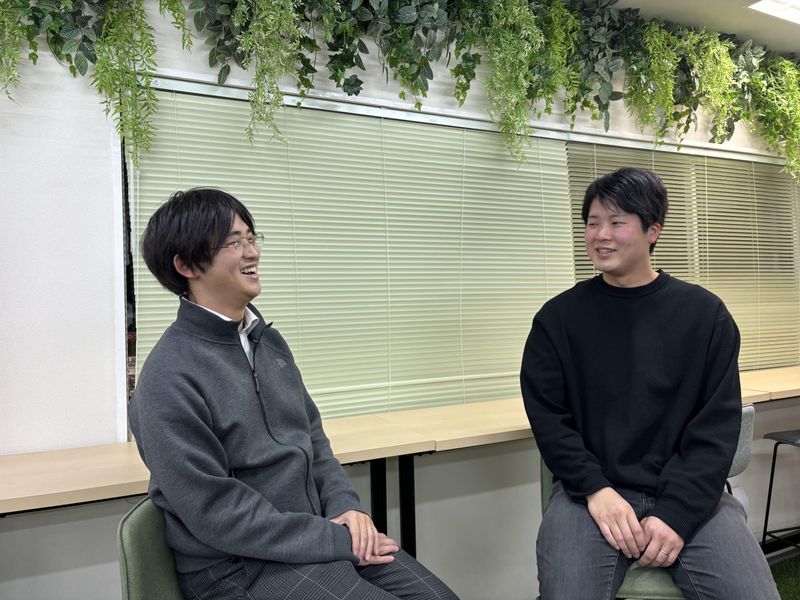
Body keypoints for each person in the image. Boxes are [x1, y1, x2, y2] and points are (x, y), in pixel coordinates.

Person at [129, 188, 459, 600]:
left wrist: (346, 507)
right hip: (237, 568)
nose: (252, 252)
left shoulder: (266, 342)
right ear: (186, 265)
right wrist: (335, 539)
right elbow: (217, 512)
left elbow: (312, 437)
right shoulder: (167, 376)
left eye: (252, 238)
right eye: (234, 242)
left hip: (313, 537)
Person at [520, 168, 779, 600]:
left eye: (616, 222)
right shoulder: (558, 320)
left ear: (652, 231)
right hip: (591, 496)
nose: (601, 235)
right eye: (592, 222)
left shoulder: (705, 316)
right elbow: (550, 422)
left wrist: (676, 513)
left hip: (690, 495)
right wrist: (596, 490)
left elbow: (715, 432)